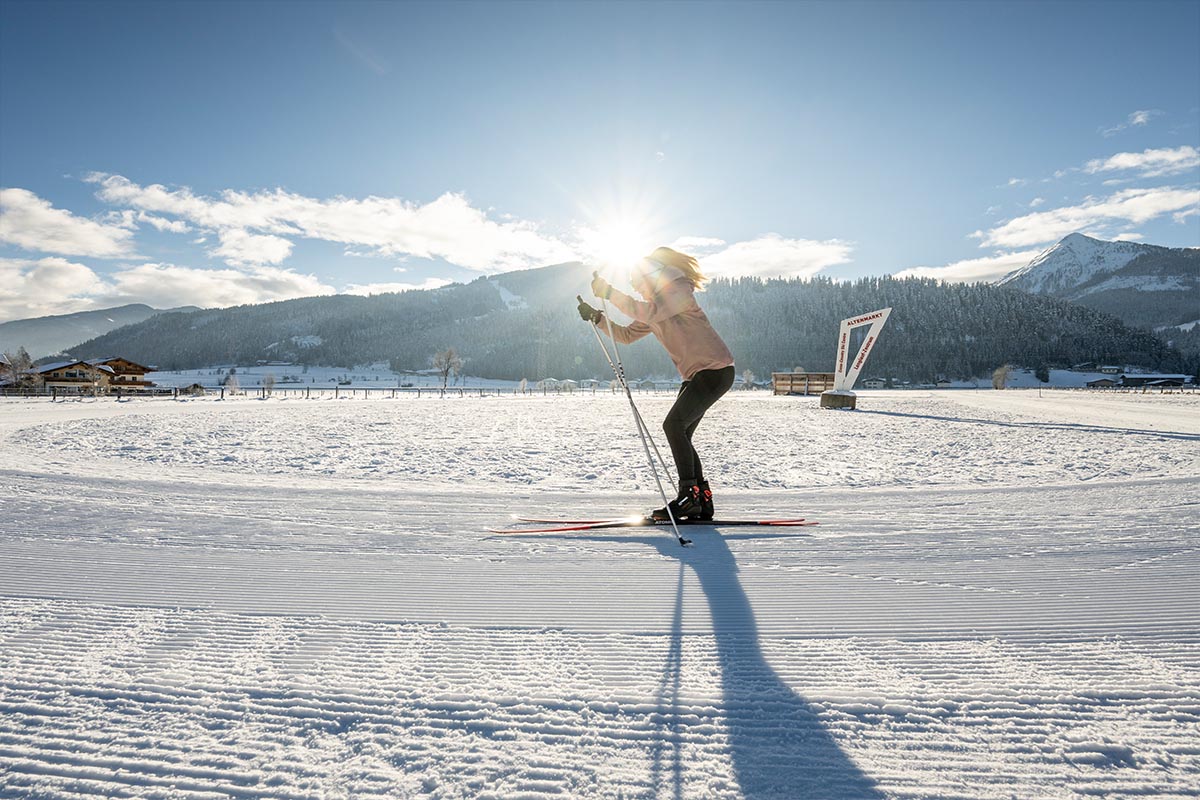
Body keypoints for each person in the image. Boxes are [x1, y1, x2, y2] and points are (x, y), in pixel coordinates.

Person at [577, 246, 735, 521]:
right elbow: (626, 335)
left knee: (673, 426)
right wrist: (598, 317)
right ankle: (700, 500)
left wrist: (610, 292)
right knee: (681, 432)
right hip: (697, 376)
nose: (635, 287)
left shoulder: (677, 291)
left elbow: (649, 312)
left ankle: (689, 498)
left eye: (636, 281)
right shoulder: (656, 308)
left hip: (714, 371)